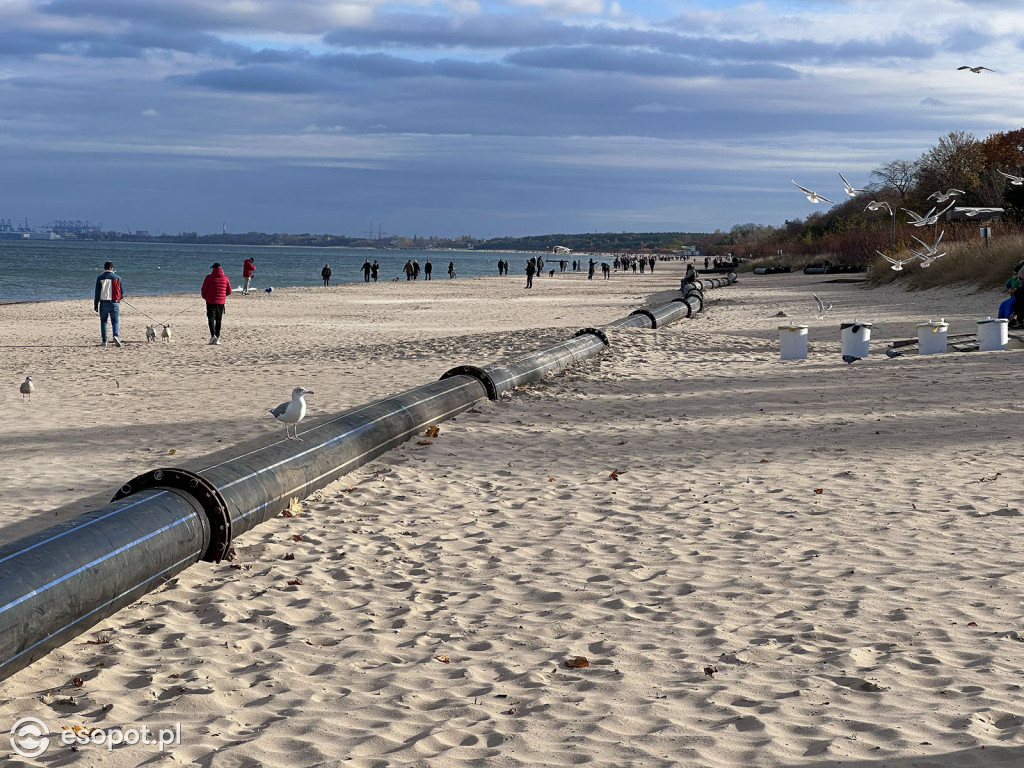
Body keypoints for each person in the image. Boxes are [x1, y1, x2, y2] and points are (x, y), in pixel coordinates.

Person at [94, 261, 123, 347]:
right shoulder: (118, 278)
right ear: (112, 268)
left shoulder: (100, 277)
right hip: (114, 302)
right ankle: (115, 335)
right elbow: (122, 291)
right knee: (115, 321)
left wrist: (96, 303)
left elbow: (97, 292)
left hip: (104, 302)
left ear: (104, 268)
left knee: (103, 322)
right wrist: (120, 298)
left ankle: (104, 340)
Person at [201, 262, 231, 345]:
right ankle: (217, 337)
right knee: (218, 320)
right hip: (220, 303)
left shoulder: (209, 277)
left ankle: (213, 336)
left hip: (210, 302)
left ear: (213, 269)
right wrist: (222, 297)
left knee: (211, 319)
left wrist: (205, 297)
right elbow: (229, 291)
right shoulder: (225, 278)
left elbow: (204, 290)